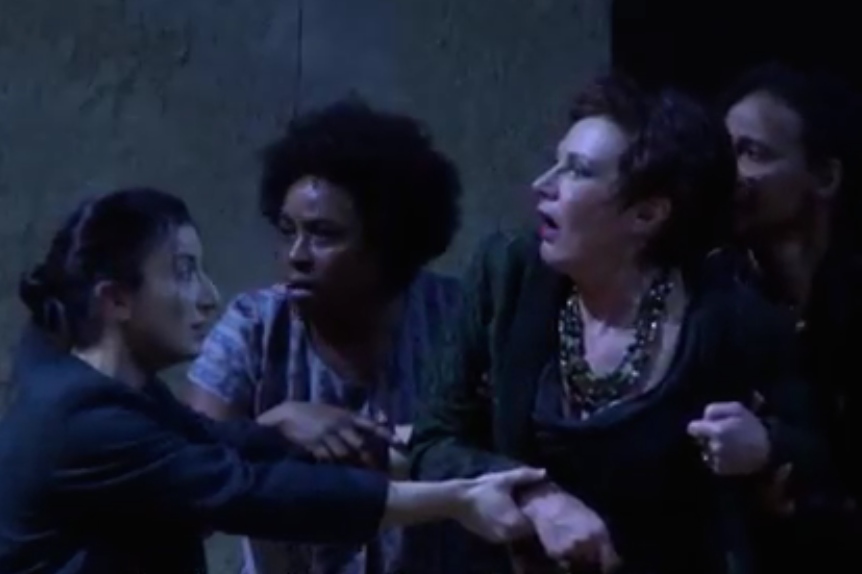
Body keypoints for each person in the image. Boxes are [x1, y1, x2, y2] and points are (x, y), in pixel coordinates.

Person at [0, 188, 546, 574]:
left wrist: (290, 432)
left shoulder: (109, 394)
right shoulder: (83, 417)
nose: (208, 295)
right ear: (115, 299)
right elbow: (247, 492)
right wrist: (453, 498)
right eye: (184, 271)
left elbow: (216, 443)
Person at [408, 74, 824, 574]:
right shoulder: (507, 277)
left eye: (577, 171)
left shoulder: (731, 319)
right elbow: (433, 442)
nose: (543, 186)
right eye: (556, 162)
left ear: (647, 214)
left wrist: (765, 447)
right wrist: (538, 496)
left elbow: (820, 462)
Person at [184, 99, 468, 574]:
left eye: (323, 234)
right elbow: (186, 483)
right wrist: (273, 429)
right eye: (287, 231)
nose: (296, 254)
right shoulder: (254, 326)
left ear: (386, 244)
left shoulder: (456, 320)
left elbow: (501, 460)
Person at [720, 61, 862, 570]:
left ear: (824, 176)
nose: (729, 174)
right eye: (724, 152)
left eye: (752, 153)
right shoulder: (719, 297)